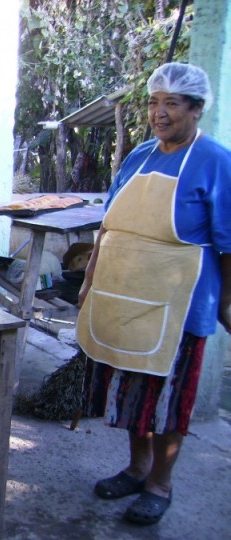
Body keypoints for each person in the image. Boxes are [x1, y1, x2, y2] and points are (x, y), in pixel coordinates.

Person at [76, 62, 231, 526]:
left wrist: (225, 302)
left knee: (168, 400)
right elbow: (108, 227)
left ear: (196, 109)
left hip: (179, 304)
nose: (159, 113)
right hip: (125, 296)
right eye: (153, 102)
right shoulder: (139, 155)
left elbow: (228, 242)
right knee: (131, 393)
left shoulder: (215, 161)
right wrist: (89, 283)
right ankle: (137, 468)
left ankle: (160, 484)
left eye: (172, 104)